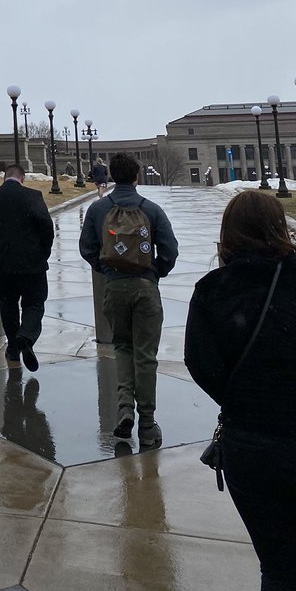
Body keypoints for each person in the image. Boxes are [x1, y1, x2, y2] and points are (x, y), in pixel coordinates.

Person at [184, 190, 296, 591]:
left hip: (250, 449)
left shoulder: (213, 290)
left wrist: (243, 396)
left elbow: (200, 363)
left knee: (280, 565)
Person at [79, 152, 179, 447]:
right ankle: (147, 424)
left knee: (122, 347)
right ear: (136, 176)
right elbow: (170, 250)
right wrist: (154, 273)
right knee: (146, 355)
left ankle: (125, 409)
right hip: (146, 288)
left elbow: (87, 249)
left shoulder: (98, 209)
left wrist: (108, 269)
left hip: (115, 288)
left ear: (110, 175)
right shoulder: (152, 209)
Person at [0, 163, 55, 372]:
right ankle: (26, 336)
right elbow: (46, 227)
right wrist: (43, 252)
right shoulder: (33, 196)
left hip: (2, 261)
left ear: (4, 178)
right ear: (23, 178)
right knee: (35, 303)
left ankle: (12, 346)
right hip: (32, 262)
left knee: (8, 303)